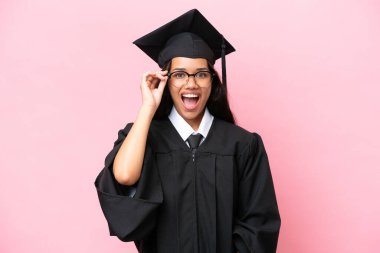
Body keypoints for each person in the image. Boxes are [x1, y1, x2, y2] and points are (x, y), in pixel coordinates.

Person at [94, 9, 281, 253]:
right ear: (165, 79)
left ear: (212, 81)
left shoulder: (243, 145)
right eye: (179, 74)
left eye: (201, 74)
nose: (191, 84)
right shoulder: (144, 138)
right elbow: (124, 177)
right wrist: (147, 108)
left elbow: (259, 225)